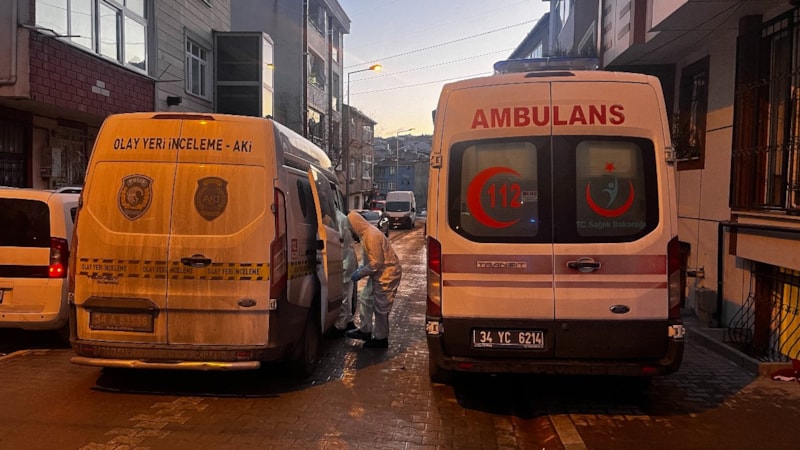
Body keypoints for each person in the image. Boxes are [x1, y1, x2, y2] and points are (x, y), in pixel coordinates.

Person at [345, 210, 402, 348]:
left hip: (387, 274)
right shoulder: (366, 235)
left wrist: (361, 273)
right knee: (366, 299)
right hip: (379, 273)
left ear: (355, 225)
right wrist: (362, 270)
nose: (351, 232)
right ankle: (365, 330)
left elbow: (377, 262)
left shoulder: (372, 236)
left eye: (351, 228)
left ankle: (381, 339)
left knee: (381, 307)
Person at [331, 210, 358, 336]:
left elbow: (338, 240)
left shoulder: (337, 219)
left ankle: (342, 324)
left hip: (345, 260)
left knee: (344, 294)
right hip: (348, 259)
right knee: (347, 292)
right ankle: (349, 320)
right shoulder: (341, 217)